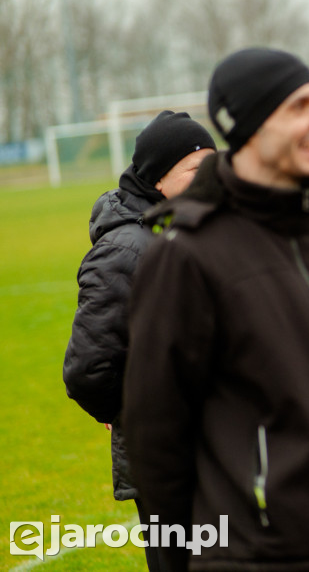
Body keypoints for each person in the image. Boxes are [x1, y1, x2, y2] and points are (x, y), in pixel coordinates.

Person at [121, 48, 309, 571]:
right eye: (299, 106)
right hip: (259, 556)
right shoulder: (186, 254)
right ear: (247, 127)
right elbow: (158, 440)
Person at [63, 110, 215, 571]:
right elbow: (89, 368)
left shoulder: (195, 231)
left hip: (216, 450)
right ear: (158, 178)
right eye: (195, 169)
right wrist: (128, 412)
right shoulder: (126, 250)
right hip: (167, 463)